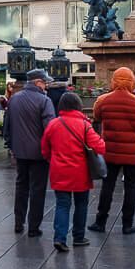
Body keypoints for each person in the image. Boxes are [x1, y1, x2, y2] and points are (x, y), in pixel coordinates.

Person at [88, 67, 135, 235]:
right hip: (132, 153)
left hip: (110, 150)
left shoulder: (103, 100)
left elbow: (97, 117)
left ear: (113, 81)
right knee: (131, 188)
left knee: (107, 186)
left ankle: (100, 222)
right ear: (132, 82)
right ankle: (127, 224)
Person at [41, 92, 106, 252]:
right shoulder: (84, 125)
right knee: (81, 204)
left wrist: (53, 159)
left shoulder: (53, 124)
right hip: (80, 172)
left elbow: (44, 148)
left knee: (62, 205)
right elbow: (100, 147)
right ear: (78, 105)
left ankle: (60, 238)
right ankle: (78, 237)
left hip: (59, 170)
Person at [4, 69, 56, 237]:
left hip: (20, 151)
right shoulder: (44, 101)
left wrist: (11, 145)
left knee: (21, 186)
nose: (46, 85)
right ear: (37, 82)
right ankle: (34, 227)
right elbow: (50, 128)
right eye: (44, 82)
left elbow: (7, 125)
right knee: (37, 189)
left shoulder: (14, 99)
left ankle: (18, 222)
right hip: (40, 153)